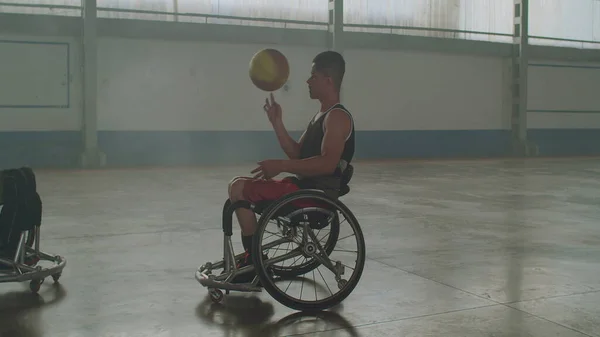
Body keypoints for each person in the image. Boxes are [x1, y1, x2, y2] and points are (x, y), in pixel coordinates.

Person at [227, 50, 355, 283]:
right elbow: (297, 152)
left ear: (328, 80)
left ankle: (253, 261)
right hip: (302, 189)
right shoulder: (321, 116)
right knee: (237, 185)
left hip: (314, 196)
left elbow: (327, 164)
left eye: (312, 76)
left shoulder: (337, 117)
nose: (307, 81)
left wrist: (281, 166)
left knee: (238, 189)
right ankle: (252, 258)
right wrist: (277, 123)